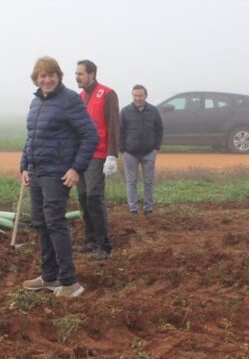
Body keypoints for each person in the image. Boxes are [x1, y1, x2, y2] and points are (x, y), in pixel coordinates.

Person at [20, 56, 98, 298]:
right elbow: (31, 137)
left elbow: (90, 136)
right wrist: (24, 166)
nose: (47, 79)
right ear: (36, 79)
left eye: (51, 74)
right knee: (41, 223)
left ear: (58, 76)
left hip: (57, 172)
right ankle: (50, 276)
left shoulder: (69, 101)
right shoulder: (36, 103)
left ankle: (69, 282)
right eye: (42, 76)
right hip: (36, 171)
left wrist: (76, 168)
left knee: (55, 223)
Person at [73, 59, 120, 260]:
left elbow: (114, 125)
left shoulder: (107, 94)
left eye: (80, 74)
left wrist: (112, 154)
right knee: (83, 197)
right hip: (81, 155)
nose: (77, 77)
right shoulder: (81, 96)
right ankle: (91, 240)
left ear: (92, 74)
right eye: (76, 74)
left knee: (94, 197)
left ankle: (104, 246)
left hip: (99, 154)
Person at [120, 84, 163, 215]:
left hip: (149, 152)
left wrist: (156, 147)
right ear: (132, 95)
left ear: (146, 96)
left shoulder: (153, 111)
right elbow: (120, 131)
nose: (138, 98)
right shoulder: (125, 111)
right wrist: (122, 149)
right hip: (130, 153)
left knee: (148, 181)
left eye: (140, 96)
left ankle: (148, 208)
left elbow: (159, 129)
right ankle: (133, 208)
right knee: (131, 182)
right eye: (135, 96)